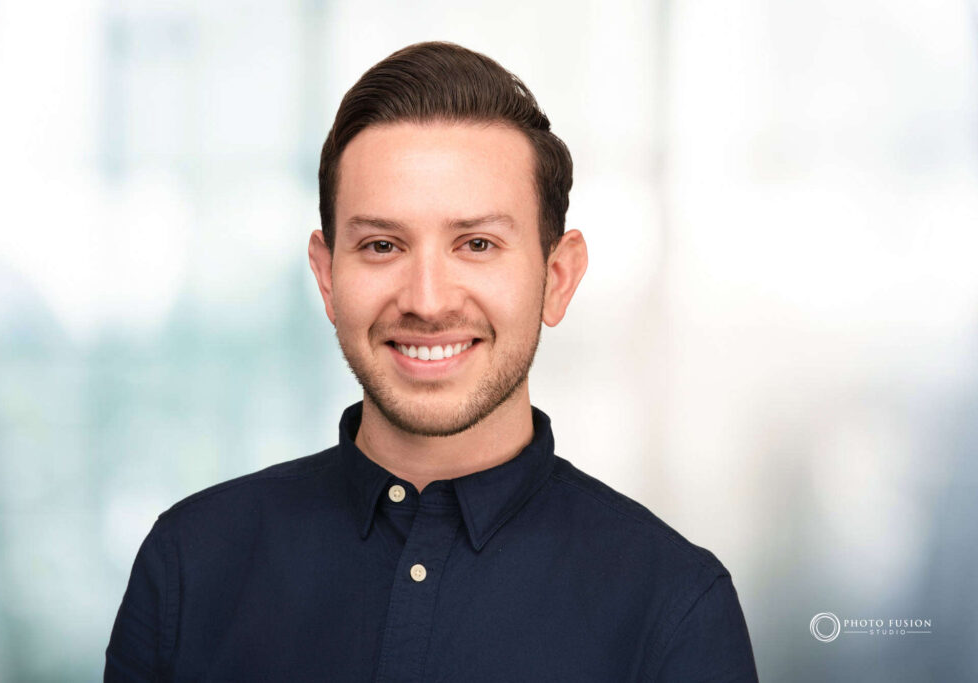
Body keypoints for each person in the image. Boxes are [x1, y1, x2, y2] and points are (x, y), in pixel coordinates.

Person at [105, 41, 758, 682]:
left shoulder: (673, 605)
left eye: (476, 243)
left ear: (557, 277)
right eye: (383, 244)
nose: (426, 301)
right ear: (328, 277)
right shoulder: (190, 564)